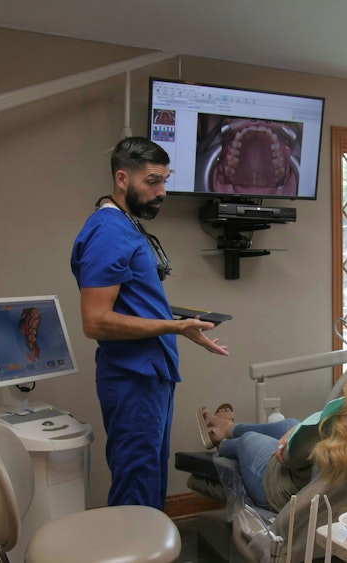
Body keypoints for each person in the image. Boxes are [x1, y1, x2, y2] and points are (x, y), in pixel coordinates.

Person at [71, 136, 230, 509]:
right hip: (131, 379)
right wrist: (173, 328)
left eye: (165, 181)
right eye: (152, 182)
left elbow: (132, 302)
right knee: (136, 487)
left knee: (150, 481)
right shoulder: (108, 231)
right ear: (122, 178)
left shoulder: (126, 226)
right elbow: (95, 321)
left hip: (150, 375)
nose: (162, 192)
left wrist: (183, 325)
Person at [198, 326, 347, 512]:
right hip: (314, 474)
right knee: (288, 424)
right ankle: (228, 427)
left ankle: (222, 441)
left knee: (249, 440)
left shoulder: (342, 422)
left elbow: (287, 458)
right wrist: (295, 431)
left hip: (286, 492)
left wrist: (290, 440)